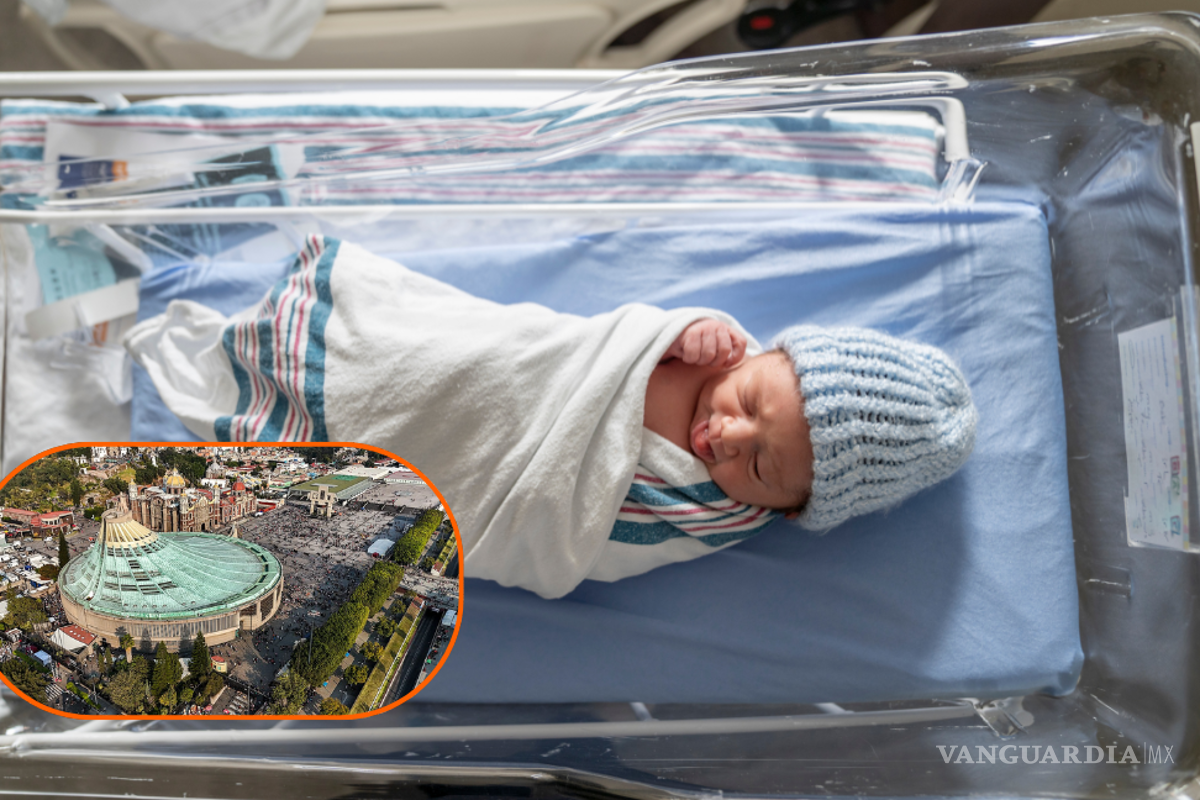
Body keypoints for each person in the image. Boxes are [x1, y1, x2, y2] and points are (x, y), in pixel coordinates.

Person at [127, 235, 977, 598]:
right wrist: (681, 333)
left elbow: (586, 538)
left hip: (515, 471)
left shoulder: (709, 514)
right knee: (440, 353)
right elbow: (580, 350)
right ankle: (324, 360)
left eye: (760, 466)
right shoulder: (711, 349)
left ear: (787, 509)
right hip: (501, 372)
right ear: (765, 356)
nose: (729, 436)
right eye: (751, 402)